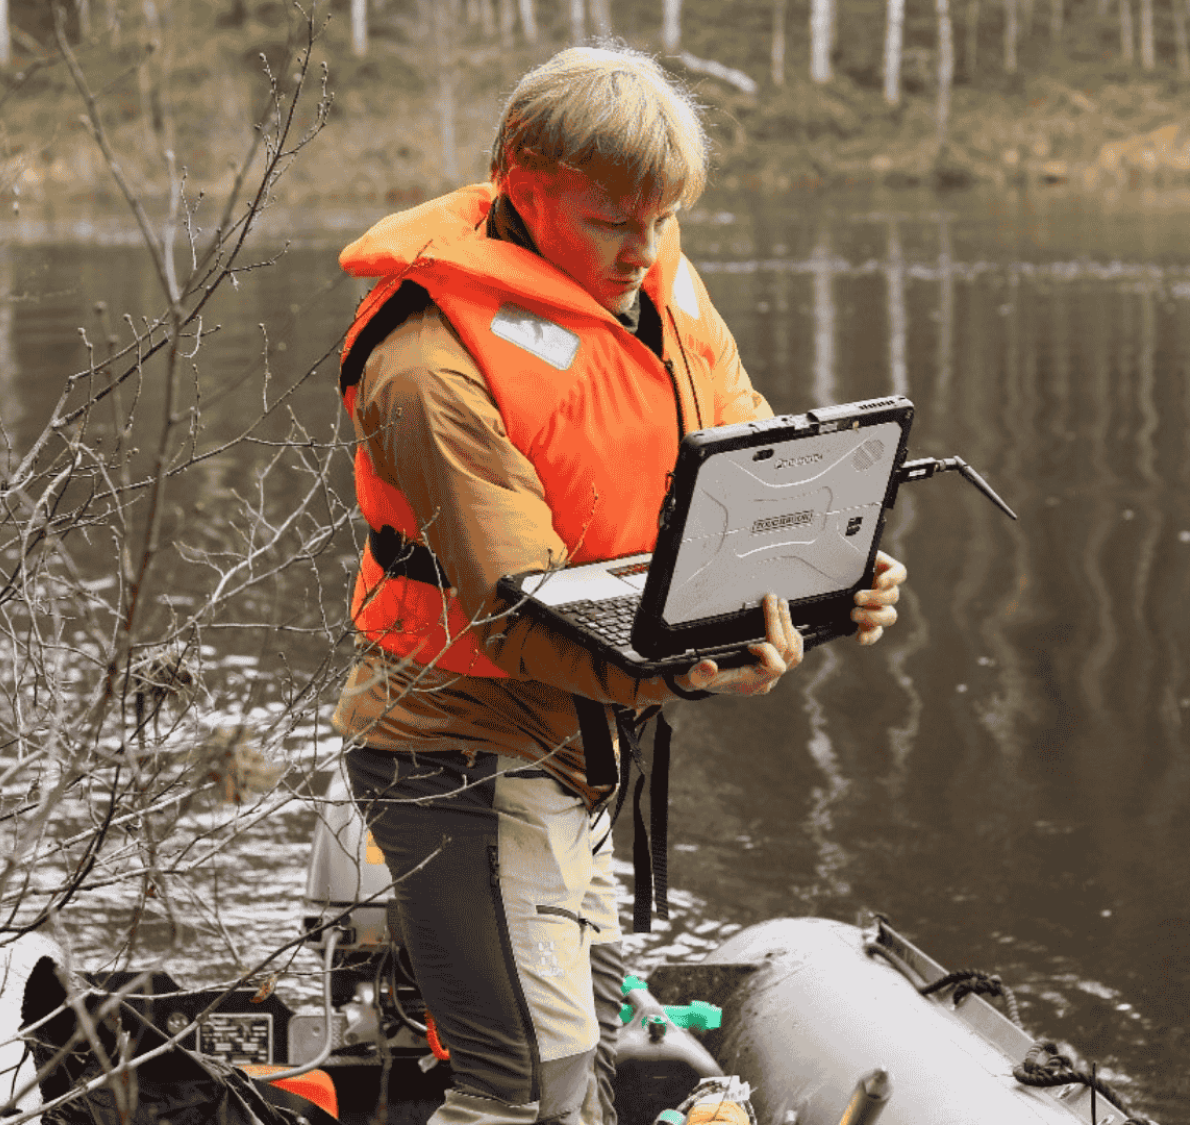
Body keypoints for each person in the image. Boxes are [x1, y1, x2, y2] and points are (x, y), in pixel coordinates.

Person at [329, 44, 908, 1125]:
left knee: (584, 1053)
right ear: (521, 180)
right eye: (609, 219)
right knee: (520, 1087)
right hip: (456, 750)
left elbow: (746, 462)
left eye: (661, 215)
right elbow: (515, 614)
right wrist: (697, 673)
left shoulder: (654, 279)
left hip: (574, 747)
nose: (641, 247)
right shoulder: (429, 365)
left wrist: (827, 583)